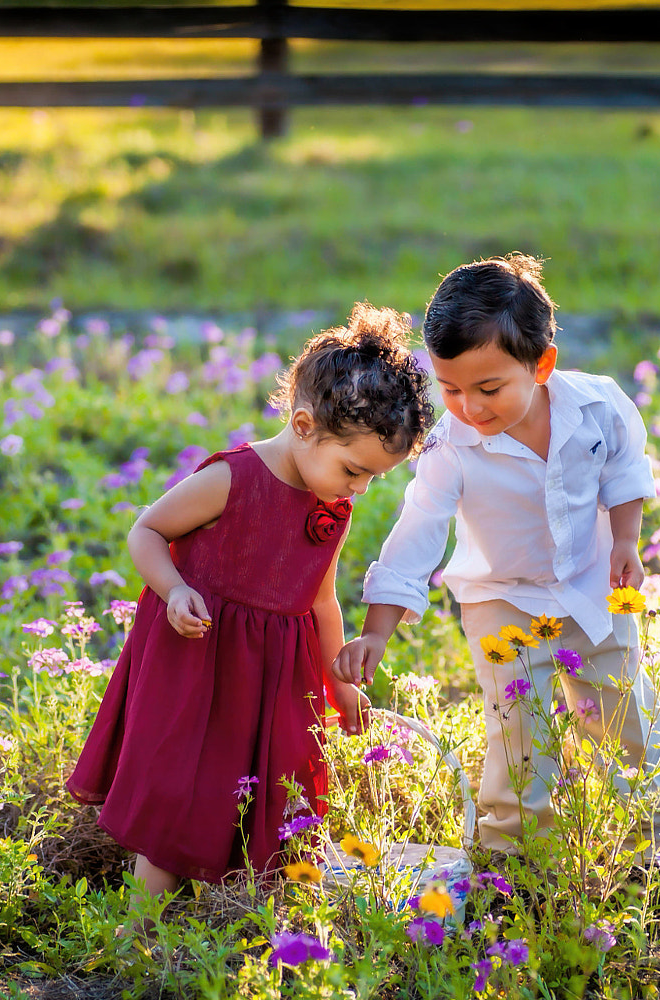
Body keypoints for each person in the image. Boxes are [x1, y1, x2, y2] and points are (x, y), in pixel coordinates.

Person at [66, 303, 436, 930]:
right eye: (354, 471)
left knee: (270, 796)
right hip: (199, 657)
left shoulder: (330, 503)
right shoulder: (231, 480)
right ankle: (136, 936)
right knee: (181, 795)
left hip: (274, 676)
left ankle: (256, 925)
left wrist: (339, 678)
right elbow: (147, 531)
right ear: (302, 424)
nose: (359, 490)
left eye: (373, 478)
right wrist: (176, 588)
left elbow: (320, 597)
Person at [332, 253, 660, 860]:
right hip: (502, 598)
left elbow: (626, 470)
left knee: (626, 716)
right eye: (451, 389)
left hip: (591, 584)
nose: (469, 406)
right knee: (519, 737)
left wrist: (626, 539)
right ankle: (511, 866)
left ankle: (654, 853)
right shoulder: (450, 445)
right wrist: (377, 634)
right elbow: (420, 531)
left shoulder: (599, 407)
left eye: (489, 388)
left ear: (541, 364)